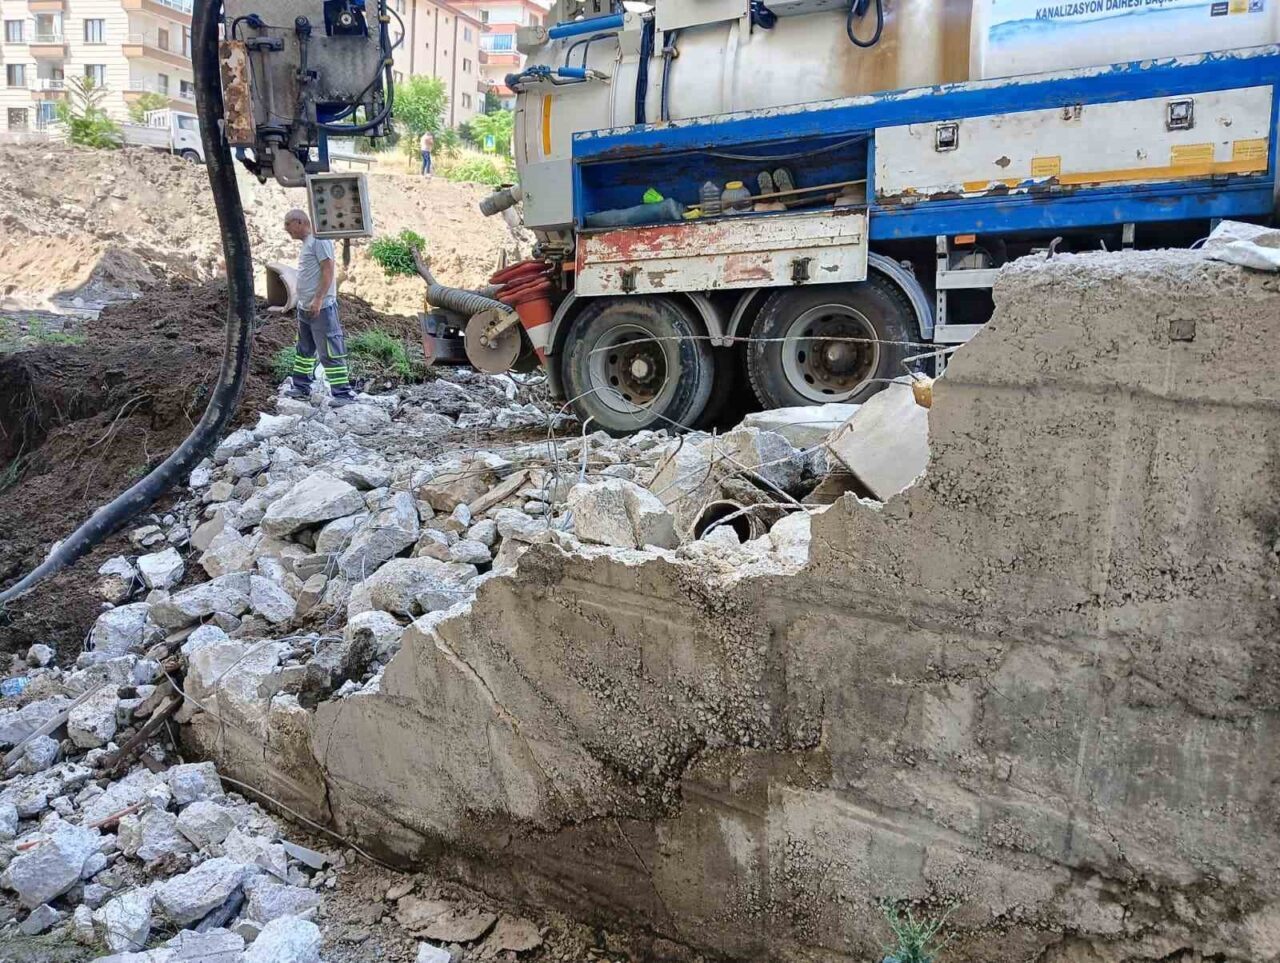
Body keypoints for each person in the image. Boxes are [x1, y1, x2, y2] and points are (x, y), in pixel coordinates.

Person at [283, 209, 355, 405]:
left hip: (320, 308)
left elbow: (328, 270)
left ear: (299, 222)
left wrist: (318, 299)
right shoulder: (309, 242)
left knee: (329, 351)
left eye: (288, 227)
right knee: (304, 350)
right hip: (306, 308)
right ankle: (301, 387)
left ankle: (343, 394)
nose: (287, 232)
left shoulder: (319, 240)